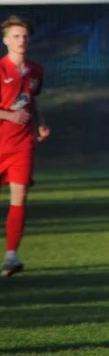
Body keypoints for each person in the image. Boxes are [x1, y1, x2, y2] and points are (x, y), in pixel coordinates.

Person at [0, 16, 49, 277]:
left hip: (22, 145)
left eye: (25, 36)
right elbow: (11, 109)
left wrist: (40, 123)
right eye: (16, 36)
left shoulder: (36, 71)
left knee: (20, 199)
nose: (22, 40)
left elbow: (32, 103)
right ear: (5, 40)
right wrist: (8, 115)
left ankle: (11, 256)